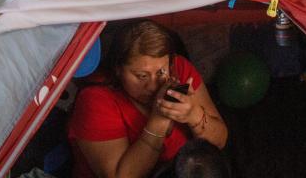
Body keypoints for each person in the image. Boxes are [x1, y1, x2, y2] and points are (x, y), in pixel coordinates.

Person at [68, 20, 227, 178]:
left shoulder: (179, 70)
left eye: (161, 72)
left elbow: (220, 141)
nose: (153, 86)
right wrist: (159, 120)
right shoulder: (96, 99)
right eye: (142, 76)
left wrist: (194, 114)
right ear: (118, 70)